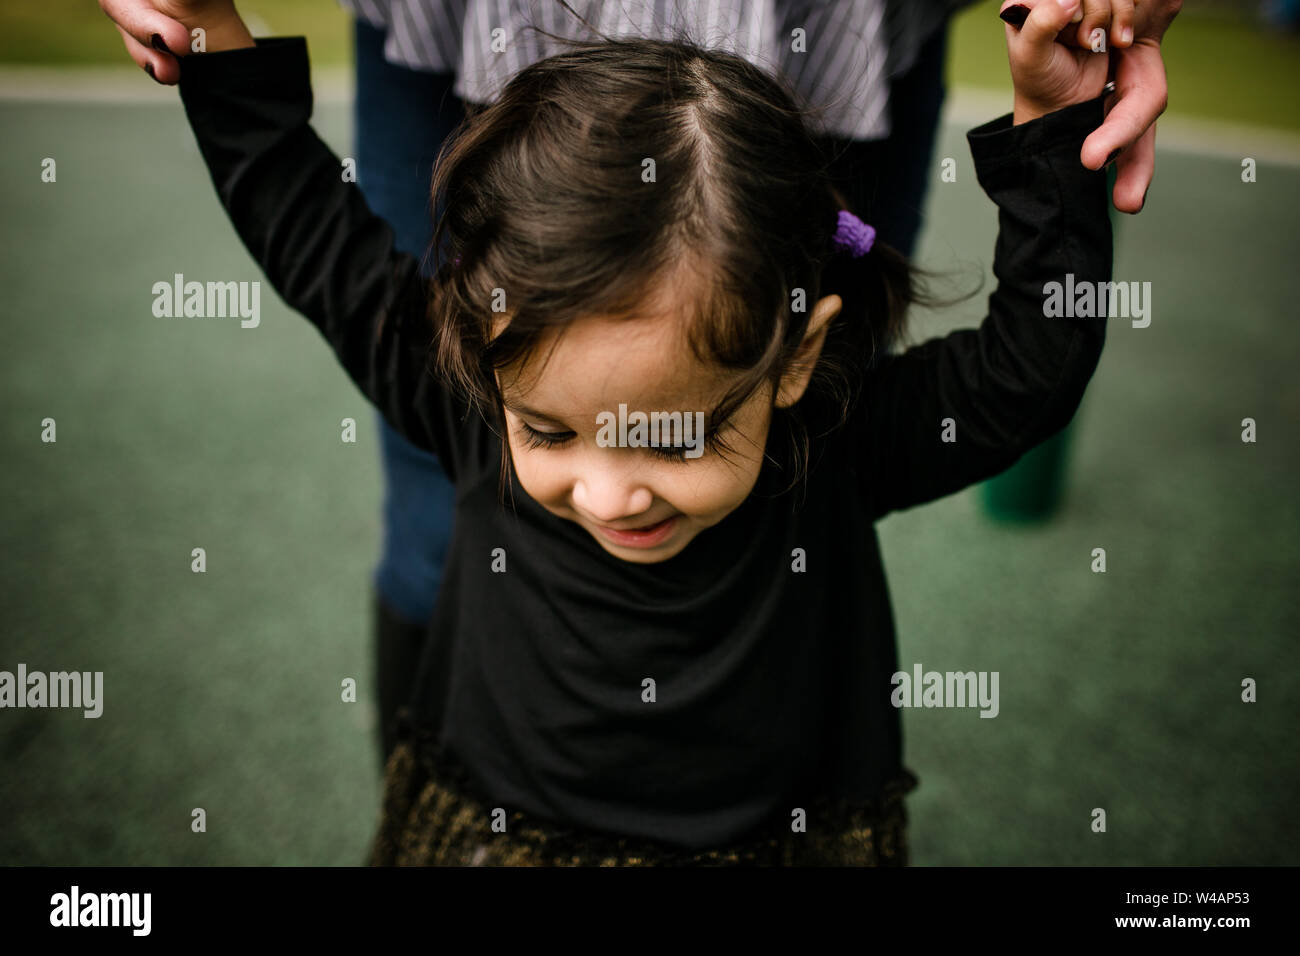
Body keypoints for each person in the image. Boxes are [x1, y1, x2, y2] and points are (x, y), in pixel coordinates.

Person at [119, 0, 1138, 864]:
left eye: (674, 438)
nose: (608, 494)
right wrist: (207, 37)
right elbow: (311, 233)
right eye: (550, 431)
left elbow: (1023, 373)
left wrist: (1054, 127)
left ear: (792, 359)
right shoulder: (468, 394)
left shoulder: (833, 436)